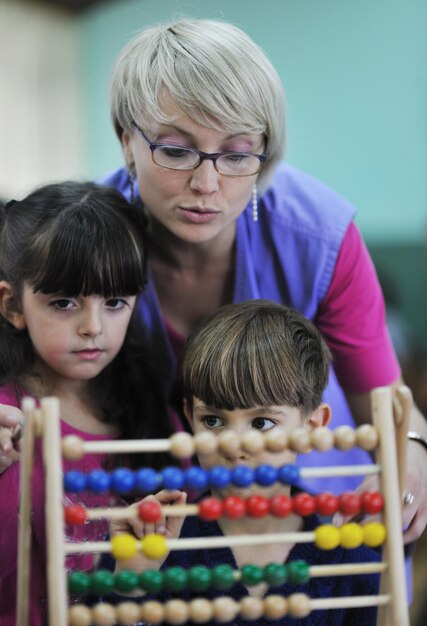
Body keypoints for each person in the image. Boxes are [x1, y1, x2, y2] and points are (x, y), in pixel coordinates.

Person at [1, 15, 426, 540]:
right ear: (125, 139)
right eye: (176, 150)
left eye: (238, 153)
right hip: (156, 534)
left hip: (314, 520)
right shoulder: (85, 234)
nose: (207, 183)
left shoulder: (321, 237)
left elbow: (388, 406)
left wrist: (413, 450)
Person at [109, 301, 382, 625]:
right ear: (189, 418)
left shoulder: (350, 565)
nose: (233, 445)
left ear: (312, 427)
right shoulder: (158, 552)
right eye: (212, 420)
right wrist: (131, 587)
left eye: (262, 423)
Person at [0, 181, 175, 626]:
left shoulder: (153, 416)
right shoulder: (3, 420)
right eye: (64, 303)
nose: (93, 327)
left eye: (115, 301)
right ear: (12, 305)